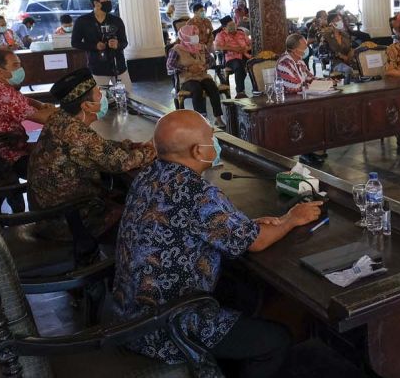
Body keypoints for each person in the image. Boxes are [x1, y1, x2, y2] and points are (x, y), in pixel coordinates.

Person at [111, 110, 359, 376]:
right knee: (275, 341)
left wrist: (242, 223)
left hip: (128, 312)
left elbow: (198, 223)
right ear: (197, 151)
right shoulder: (197, 193)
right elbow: (256, 242)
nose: (215, 144)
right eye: (211, 138)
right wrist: (290, 219)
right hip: (166, 327)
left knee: (244, 289)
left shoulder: (148, 176)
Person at [27, 68, 156, 239]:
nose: (102, 98)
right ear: (86, 106)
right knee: (147, 218)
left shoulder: (61, 119)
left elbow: (98, 147)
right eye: (98, 95)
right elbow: (121, 163)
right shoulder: (76, 133)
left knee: (122, 192)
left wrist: (130, 146)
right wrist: (151, 149)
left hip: (50, 210)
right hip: (68, 219)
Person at [0, 49, 56, 182]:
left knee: (45, 145)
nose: (20, 69)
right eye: (15, 65)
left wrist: (41, 105)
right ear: (0, 71)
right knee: (56, 165)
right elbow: (44, 119)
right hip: (1, 156)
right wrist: (68, 110)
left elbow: (22, 99)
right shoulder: (3, 95)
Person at [71, 0, 132, 92]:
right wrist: (95, 46)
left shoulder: (116, 20)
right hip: (97, 66)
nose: (109, 1)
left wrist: (117, 45)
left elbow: (124, 42)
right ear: (96, 3)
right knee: (99, 98)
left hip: (118, 65)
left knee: (128, 96)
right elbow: (75, 43)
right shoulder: (83, 21)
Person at [169, 24, 226, 128]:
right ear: (185, 36)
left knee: (212, 87)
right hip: (187, 78)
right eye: (193, 35)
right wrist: (187, 68)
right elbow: (170, 65)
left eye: (196, 34)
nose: (196, 37)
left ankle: (218, 118)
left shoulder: (201, 47)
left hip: (202, 75)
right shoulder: (176, 49)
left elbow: (212, 61)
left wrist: (205, 66)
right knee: (197, 89)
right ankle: (201, 120)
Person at [214, 16, 252, 99]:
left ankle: (256, 90)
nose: (234, 27)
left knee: (254, 63)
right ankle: (240, 91)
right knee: (239, 65)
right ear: (224, 28)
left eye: (234, 25)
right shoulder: (221, 35)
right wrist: (233, 48)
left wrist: (246, 48)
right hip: (231, 58)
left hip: (245, 55)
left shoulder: (241, 33)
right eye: (230, 26)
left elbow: (250, 44)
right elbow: (217, 47)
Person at [322, 12, 354, 76]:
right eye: (337, 20)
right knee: (348, 70)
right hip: (336, 62)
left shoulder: (345, 35)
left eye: (340, 20)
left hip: (349, 60)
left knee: (363, 66)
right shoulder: (326, 36)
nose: (340, 22)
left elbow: (351, 47)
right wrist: (340, 55)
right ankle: (346, 86)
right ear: (331, 23)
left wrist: (350, 54)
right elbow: (323, 52)